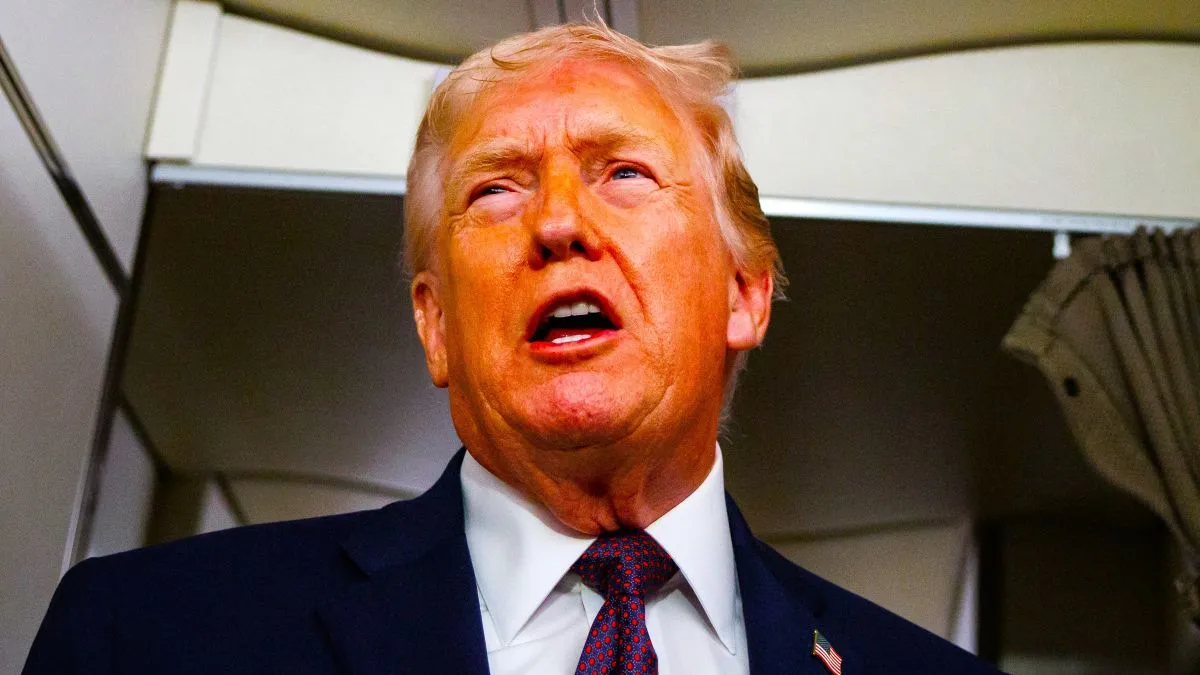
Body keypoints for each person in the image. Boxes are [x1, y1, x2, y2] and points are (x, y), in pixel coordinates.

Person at [24, 22, 1000, 675]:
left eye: (623, 172)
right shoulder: (148, 637)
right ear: (434, 323)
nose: (559, 225)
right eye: (496, 189)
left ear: (744, 295)